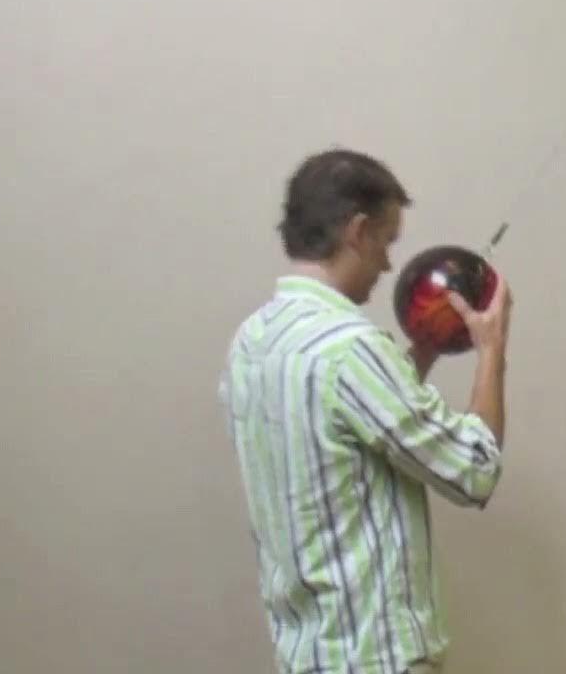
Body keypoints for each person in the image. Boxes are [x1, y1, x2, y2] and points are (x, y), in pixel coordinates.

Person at [219, 148, 512, 674]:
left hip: (308, 657)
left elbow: (342, 430)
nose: (388, 263)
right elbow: (475, 472)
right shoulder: (351, 349)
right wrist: (492, 351)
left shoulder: (253, 341)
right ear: (356, 231)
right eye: (386, 240)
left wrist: (415, 360)